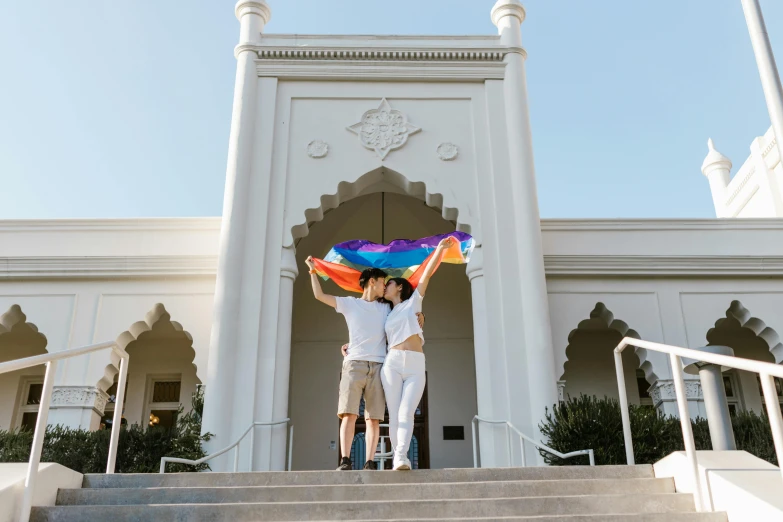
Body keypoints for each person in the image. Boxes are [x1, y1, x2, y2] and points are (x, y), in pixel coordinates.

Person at [304, 256, 423, 471]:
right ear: (372, 282)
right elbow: (319, 295)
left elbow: (405, 315)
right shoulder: (350, 304)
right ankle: (346, 460)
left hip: (379, 366)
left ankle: (369, 462)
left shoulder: (386, 308)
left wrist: (420, 316)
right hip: (353, 364)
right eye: (382, 282)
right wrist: (313, 271)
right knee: (349, 413)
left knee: (374, 418)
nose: (384, 286)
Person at [381, 236, 453, 470]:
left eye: (389, 284)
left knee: (407, 411)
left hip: (414, 364)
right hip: (392, 363)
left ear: (399, 286)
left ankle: (401, 455)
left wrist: (440, 250)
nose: (385, 287)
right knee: (394, 413)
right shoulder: (384, 314)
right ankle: (399, 457)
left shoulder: (413, 304)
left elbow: (426, 276)